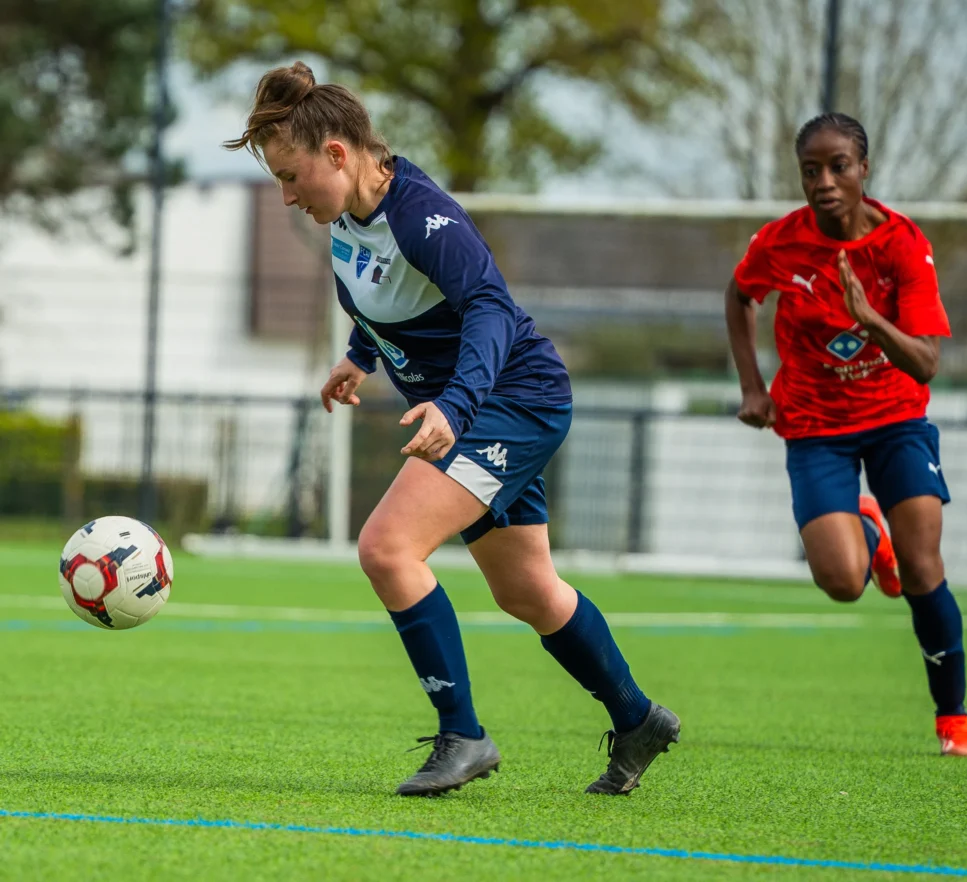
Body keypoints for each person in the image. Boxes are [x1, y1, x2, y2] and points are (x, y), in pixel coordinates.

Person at [225, 62, 680, 796]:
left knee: (386, 548)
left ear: (336, 154)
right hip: (485, 405)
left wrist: (456, 407)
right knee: (527, 590)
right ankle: (638, 719)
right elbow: (387, 296)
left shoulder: (423, 216)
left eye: (290, 176)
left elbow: (489, 307)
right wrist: (360, 357)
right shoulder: (346, 219)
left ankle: (463, 734)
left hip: (513, 400)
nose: (286, 195)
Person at [724, 112, 967, 758]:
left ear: (864, 169)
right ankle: (869, 530)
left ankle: (953, 718)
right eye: (810, 170)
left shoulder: (902, 245)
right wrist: (753, 387)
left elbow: (926, 362)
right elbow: (740, 294)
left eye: (838, 166)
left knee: (923, 567)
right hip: (815, 424)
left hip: (897, 417)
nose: (824, 182)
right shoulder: (781, 243)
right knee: (842, 581)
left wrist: (870, 320)